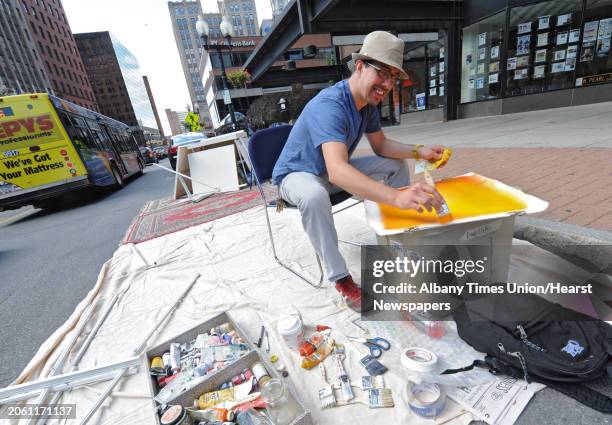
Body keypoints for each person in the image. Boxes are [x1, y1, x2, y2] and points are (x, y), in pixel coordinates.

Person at [272, 31, 448, 312]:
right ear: (360, 66)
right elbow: (339, 172)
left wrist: (419, 151)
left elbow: (381, 146)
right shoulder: (330, 105)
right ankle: (341, 278)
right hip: (296, 175)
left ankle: (395, 236)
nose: (388, 84)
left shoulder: (367, 104)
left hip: (327, 171)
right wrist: (396, 196)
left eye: (394, 77)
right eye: (383, 73)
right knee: (315, 196)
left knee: (395, 165)